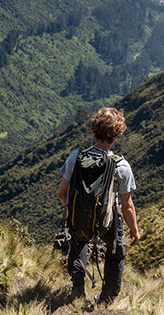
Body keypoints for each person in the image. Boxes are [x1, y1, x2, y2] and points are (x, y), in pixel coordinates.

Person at [58, 106, 141, 304]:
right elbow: (127, 205)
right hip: (108, 220)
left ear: (95, 129)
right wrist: (134, 230)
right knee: (116, 253)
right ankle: (107, 299)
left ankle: (77, 291)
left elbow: (62, 194)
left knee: (78, 245)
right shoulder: (121, 166)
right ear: (117, 133)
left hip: (80, 216)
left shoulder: (75, 158)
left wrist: (77, 212)